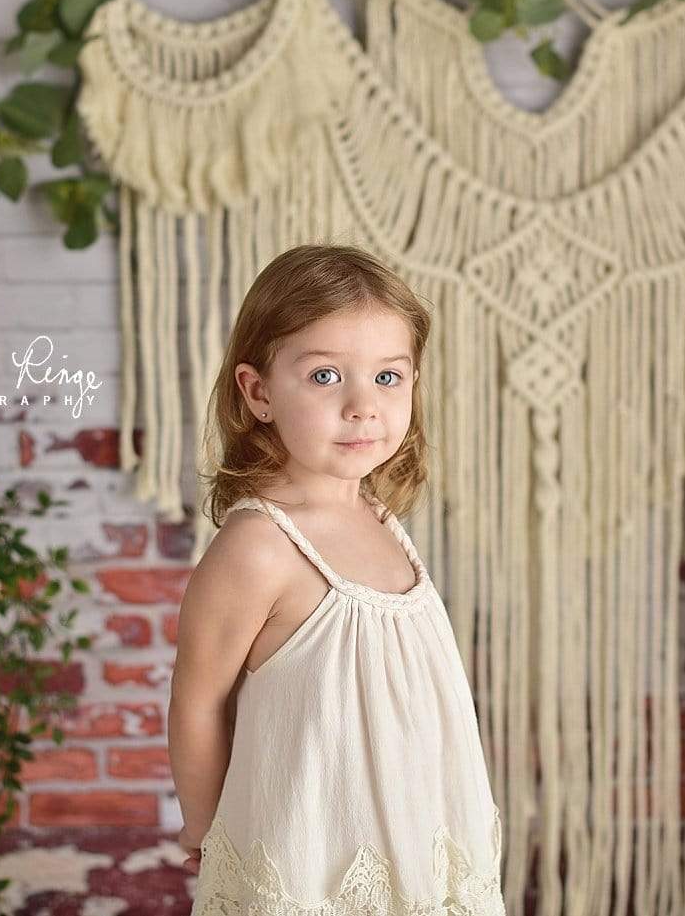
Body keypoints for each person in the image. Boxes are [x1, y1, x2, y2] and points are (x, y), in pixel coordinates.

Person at [167, 243, 505, 913]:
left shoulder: (381, 520)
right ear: (258, 391)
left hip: (414, 854)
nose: (362, 405)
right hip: (308, 865)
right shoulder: (260, 546)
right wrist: (211, 832)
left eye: (388, 377)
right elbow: (198, 702)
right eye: (325, 376)